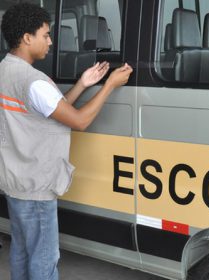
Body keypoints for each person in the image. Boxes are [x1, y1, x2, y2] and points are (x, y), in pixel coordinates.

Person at [0, 3, 133, 280]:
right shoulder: (33, 81)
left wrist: (83, 84)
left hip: (15, 182)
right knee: (44, 262)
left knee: (22, 252)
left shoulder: (6, 70)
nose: (50, 41)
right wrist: (108, 85)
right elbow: (79, 121)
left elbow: (50, 113)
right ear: (27, 38)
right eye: (46, 35)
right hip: (37, 188)